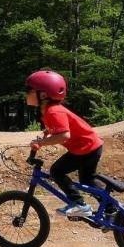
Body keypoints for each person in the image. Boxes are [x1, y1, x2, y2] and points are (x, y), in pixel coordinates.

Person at [24, 69, 103, 218]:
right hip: (89, 146)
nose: (26, 93)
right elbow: (57, 127)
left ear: (43, 94)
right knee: (87, 180)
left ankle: (79, 205)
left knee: (56, 171)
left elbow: (64, 135)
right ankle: (112, 210)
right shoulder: (48, 110)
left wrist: (41, 143)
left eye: (29, 90)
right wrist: (47, 133)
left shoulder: (53, 111)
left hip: (85, 148)